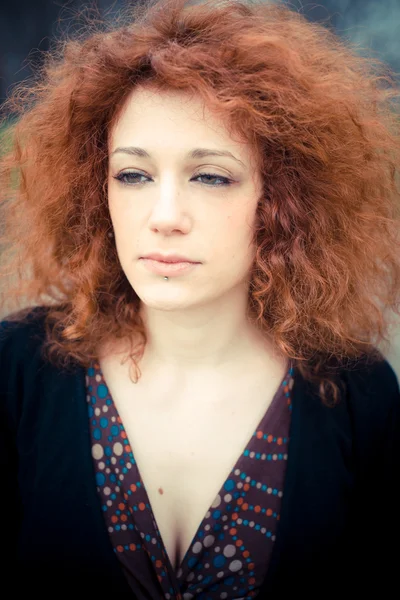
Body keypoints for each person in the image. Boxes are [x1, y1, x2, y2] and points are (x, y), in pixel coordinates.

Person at [1, 0, 400, 597]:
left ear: (282, 199)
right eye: (133, 175)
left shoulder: (355, 394)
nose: (164, 217)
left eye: (210, 176)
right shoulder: (18, 366)